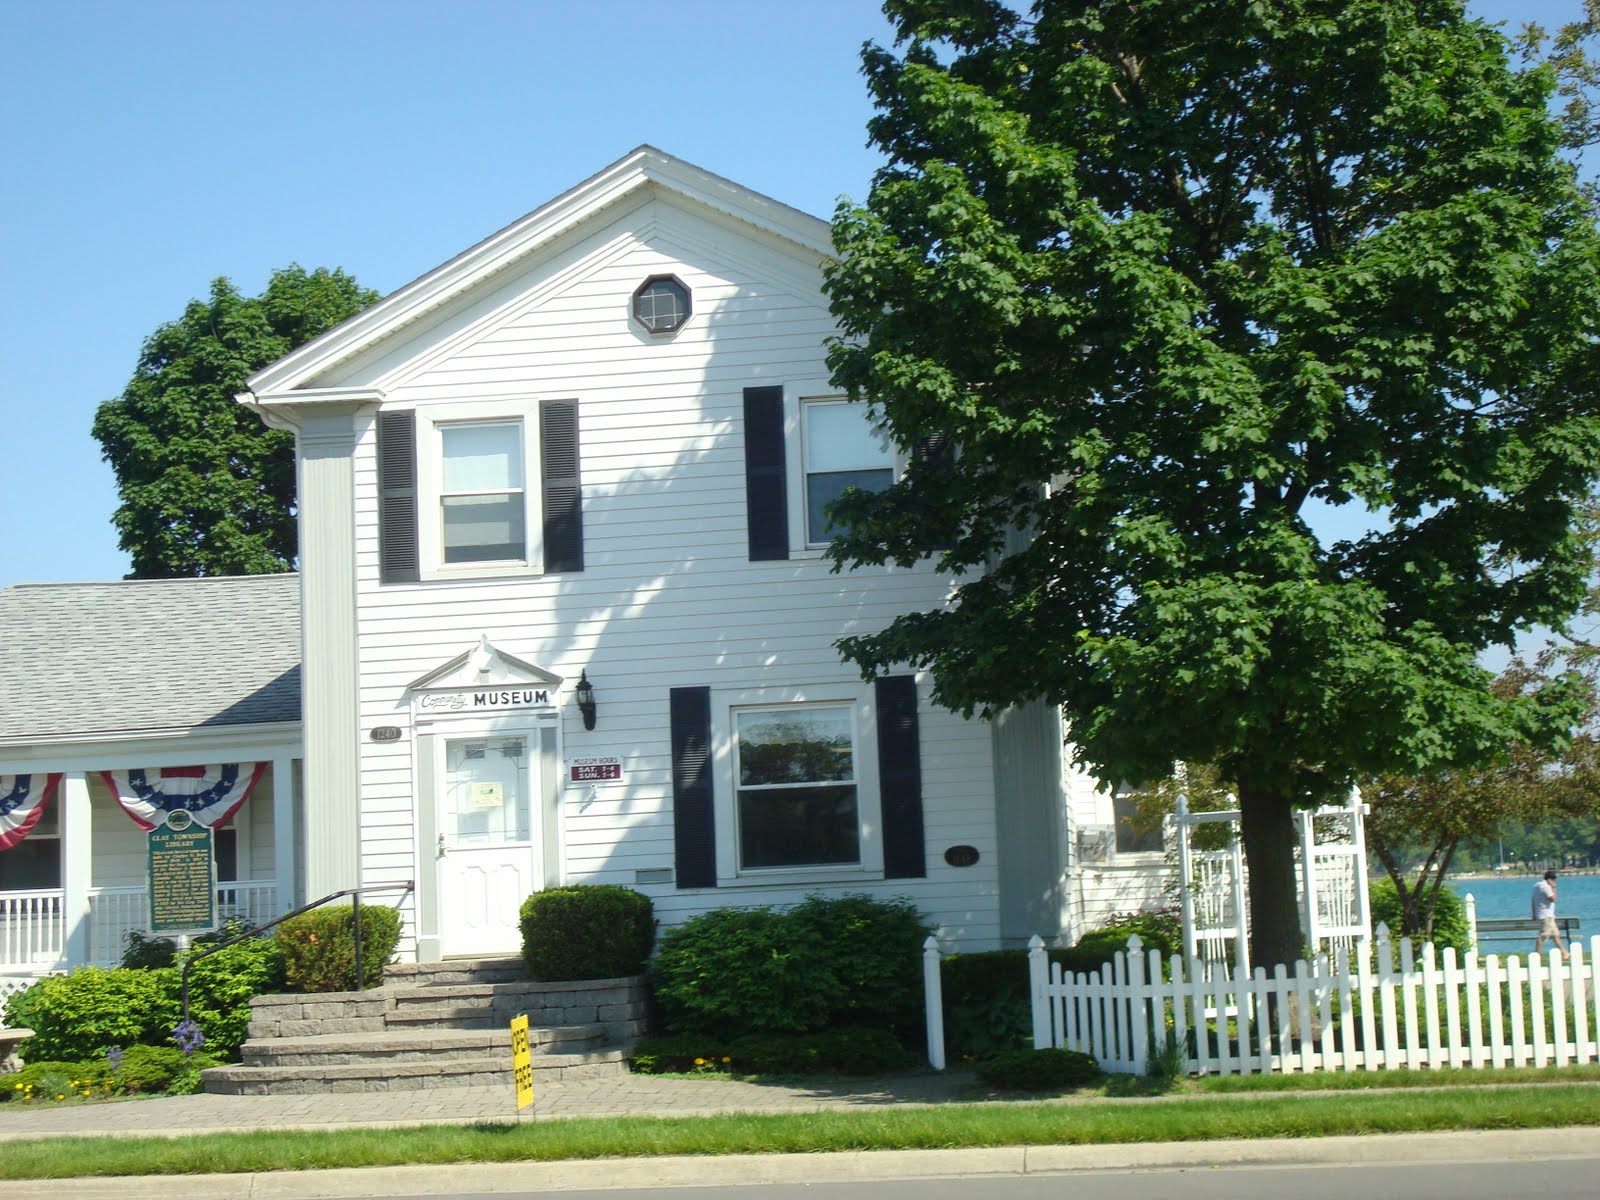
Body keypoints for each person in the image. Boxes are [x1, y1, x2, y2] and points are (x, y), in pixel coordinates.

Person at [1532, 870, 1568, 961]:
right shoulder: (1546, 887)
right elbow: (1553, 899)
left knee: (1556, 935)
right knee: (1543, 936)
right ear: (1550, 879)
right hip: (1547, 915)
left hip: (1542, 914)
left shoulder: (1536, 886)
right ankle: (1536, 955)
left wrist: (1534, 913)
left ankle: (1564, 953)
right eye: (1554, 880)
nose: (1554, 882)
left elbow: (1533, 901)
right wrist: (1553, 888)